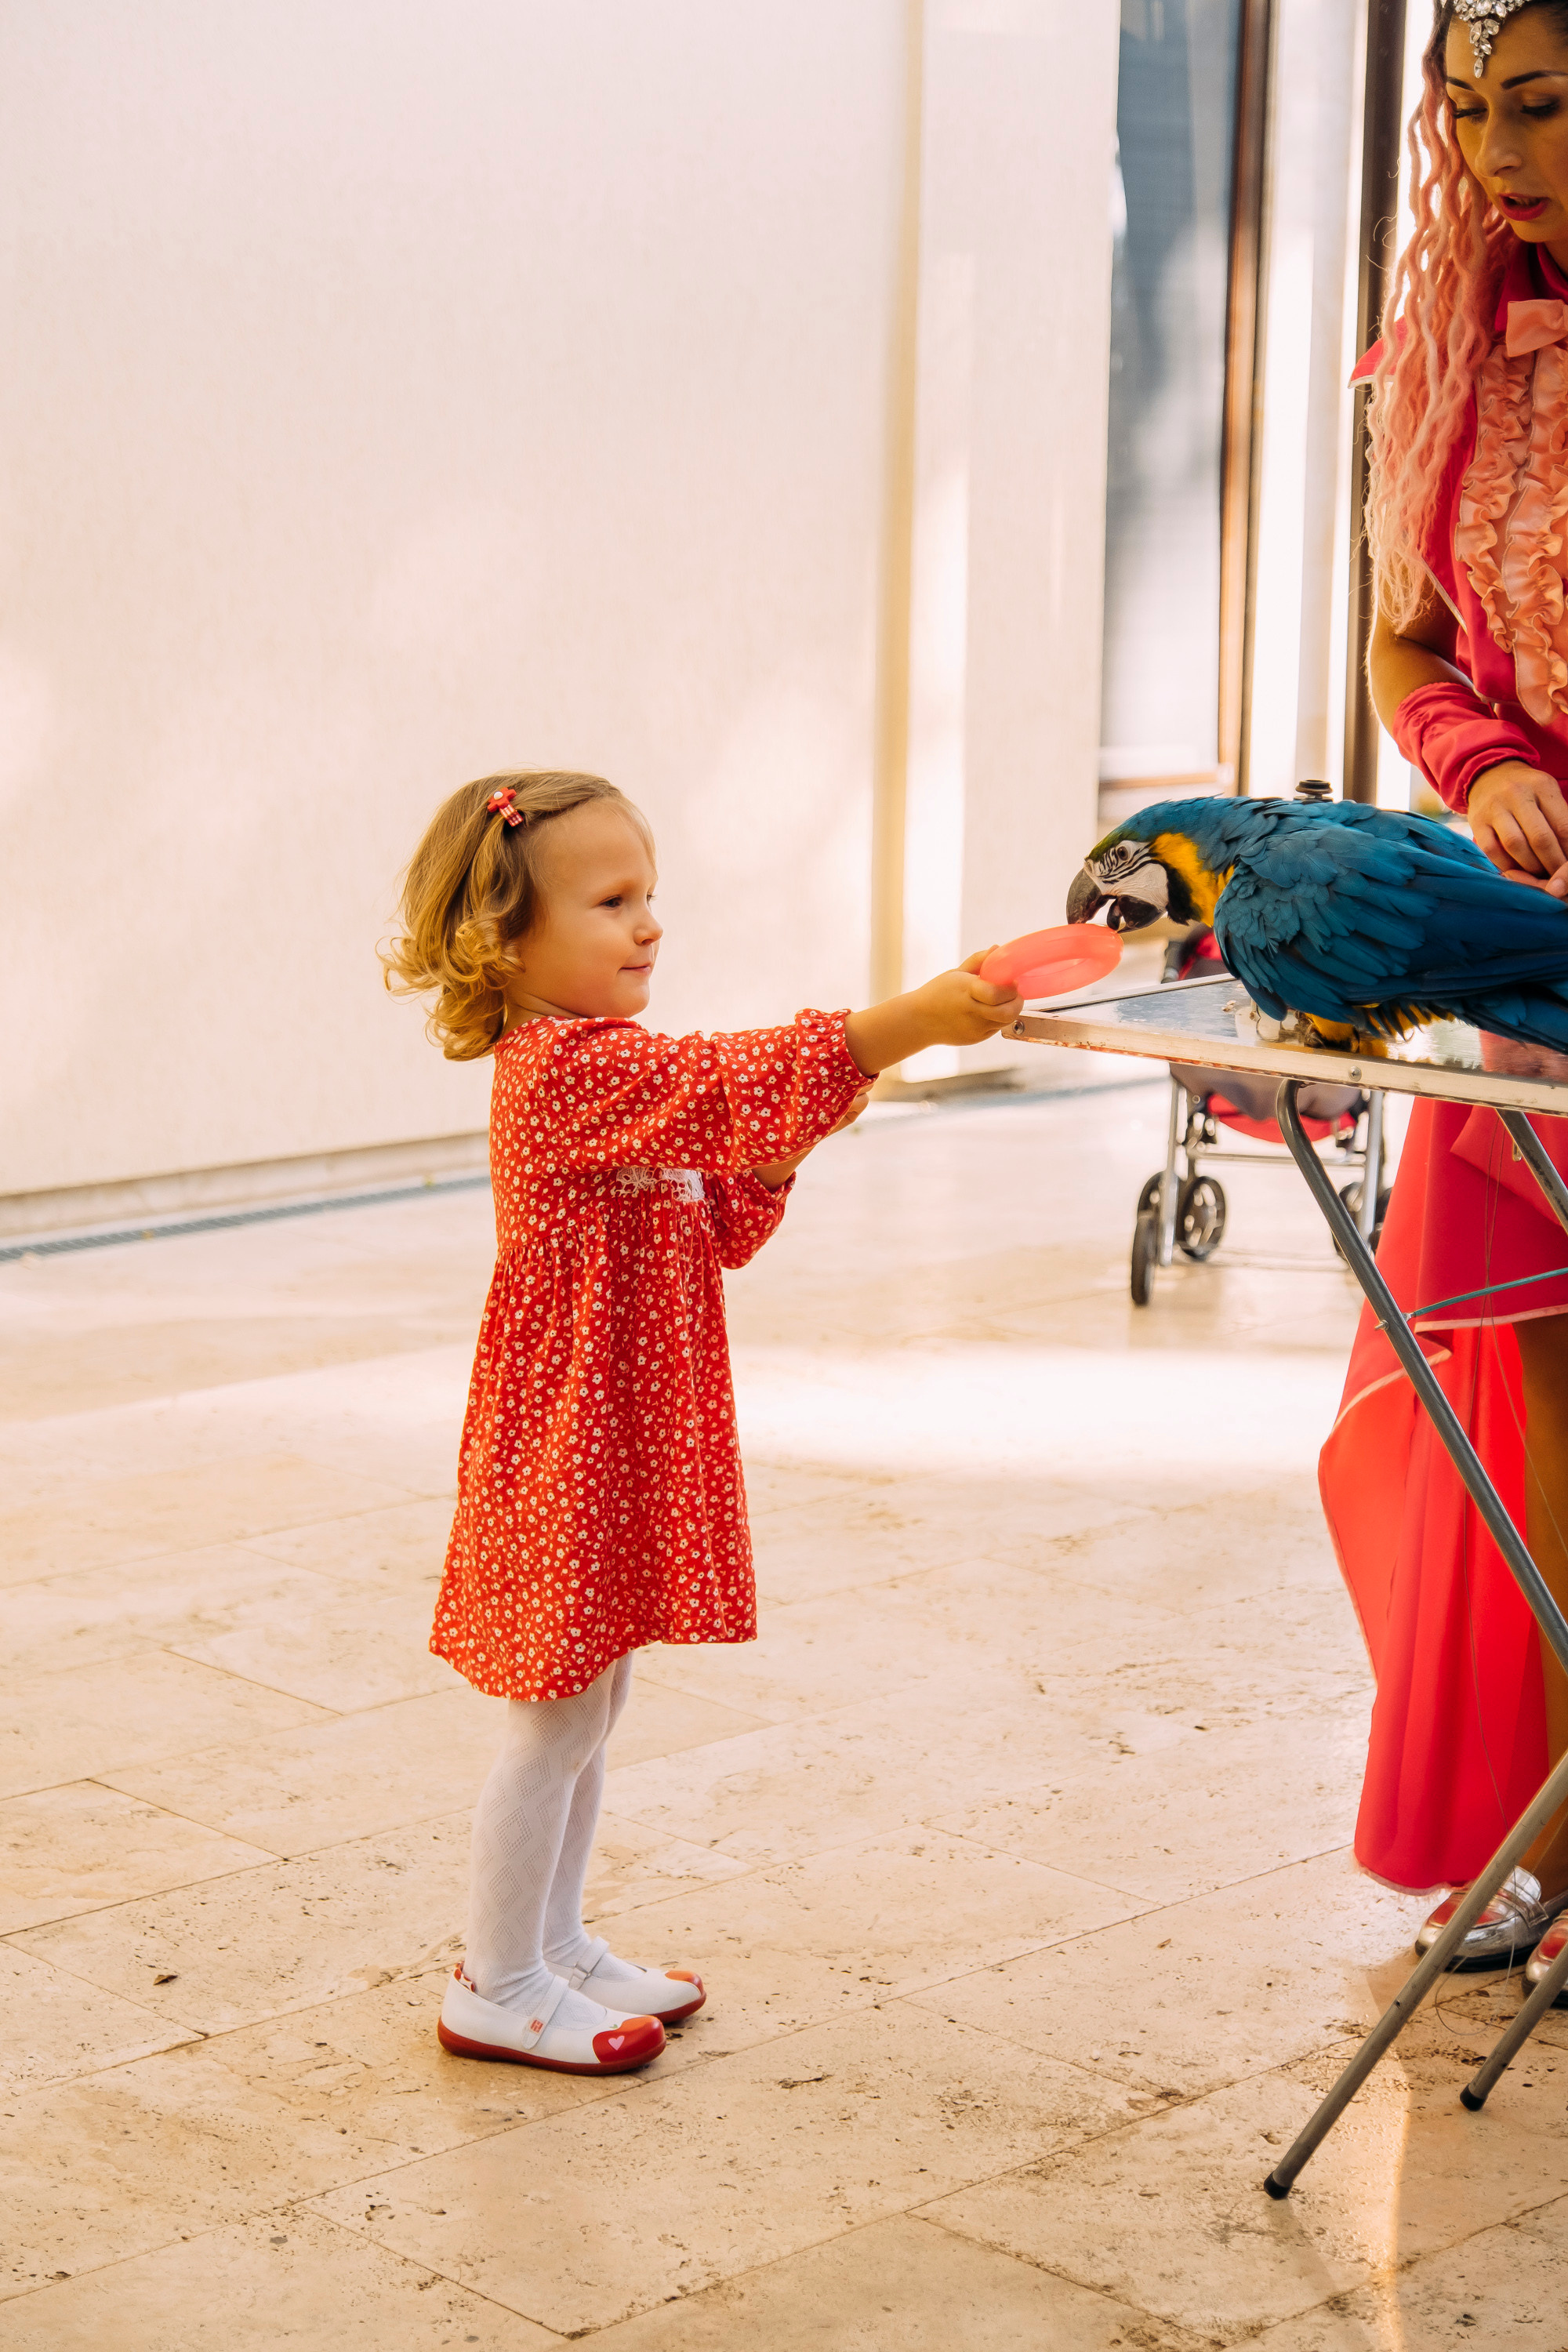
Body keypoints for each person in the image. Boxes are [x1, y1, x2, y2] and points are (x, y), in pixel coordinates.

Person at [382, 768, 1022, 2071]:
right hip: (569, 1437)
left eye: (649, 897)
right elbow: (723, 1081)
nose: (649, 926)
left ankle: (554, 1946)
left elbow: (712, 1215)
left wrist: (788, 1144)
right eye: (613, 902)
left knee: (597, 1703)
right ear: (504, 939)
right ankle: (494, 1980)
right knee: (554, 1715)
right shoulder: (559, 1069)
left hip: (623, 1432)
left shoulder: (618, 1076)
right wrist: (895, 1028)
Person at [1322, 0, 1568, 1987]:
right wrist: (1476, 764)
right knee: (1540, 1407)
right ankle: (1560, 1848)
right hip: (1534, 955)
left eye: (1543, 105)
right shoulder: (1441, 363)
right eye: (1470, 113)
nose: (1496, 153)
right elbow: (1409, 643)